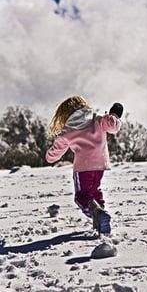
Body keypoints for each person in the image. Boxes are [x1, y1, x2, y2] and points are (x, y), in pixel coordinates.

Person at [46, 95, 123, 234]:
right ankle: (101, 219)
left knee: (82, 196)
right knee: (95, 192)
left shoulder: (68, 131)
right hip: (100, 166)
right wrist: (114, 114)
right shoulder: (98, 120)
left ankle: (98, 214)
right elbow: (113, 126)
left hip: (82, 169)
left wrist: (49, 157)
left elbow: (56, 151)